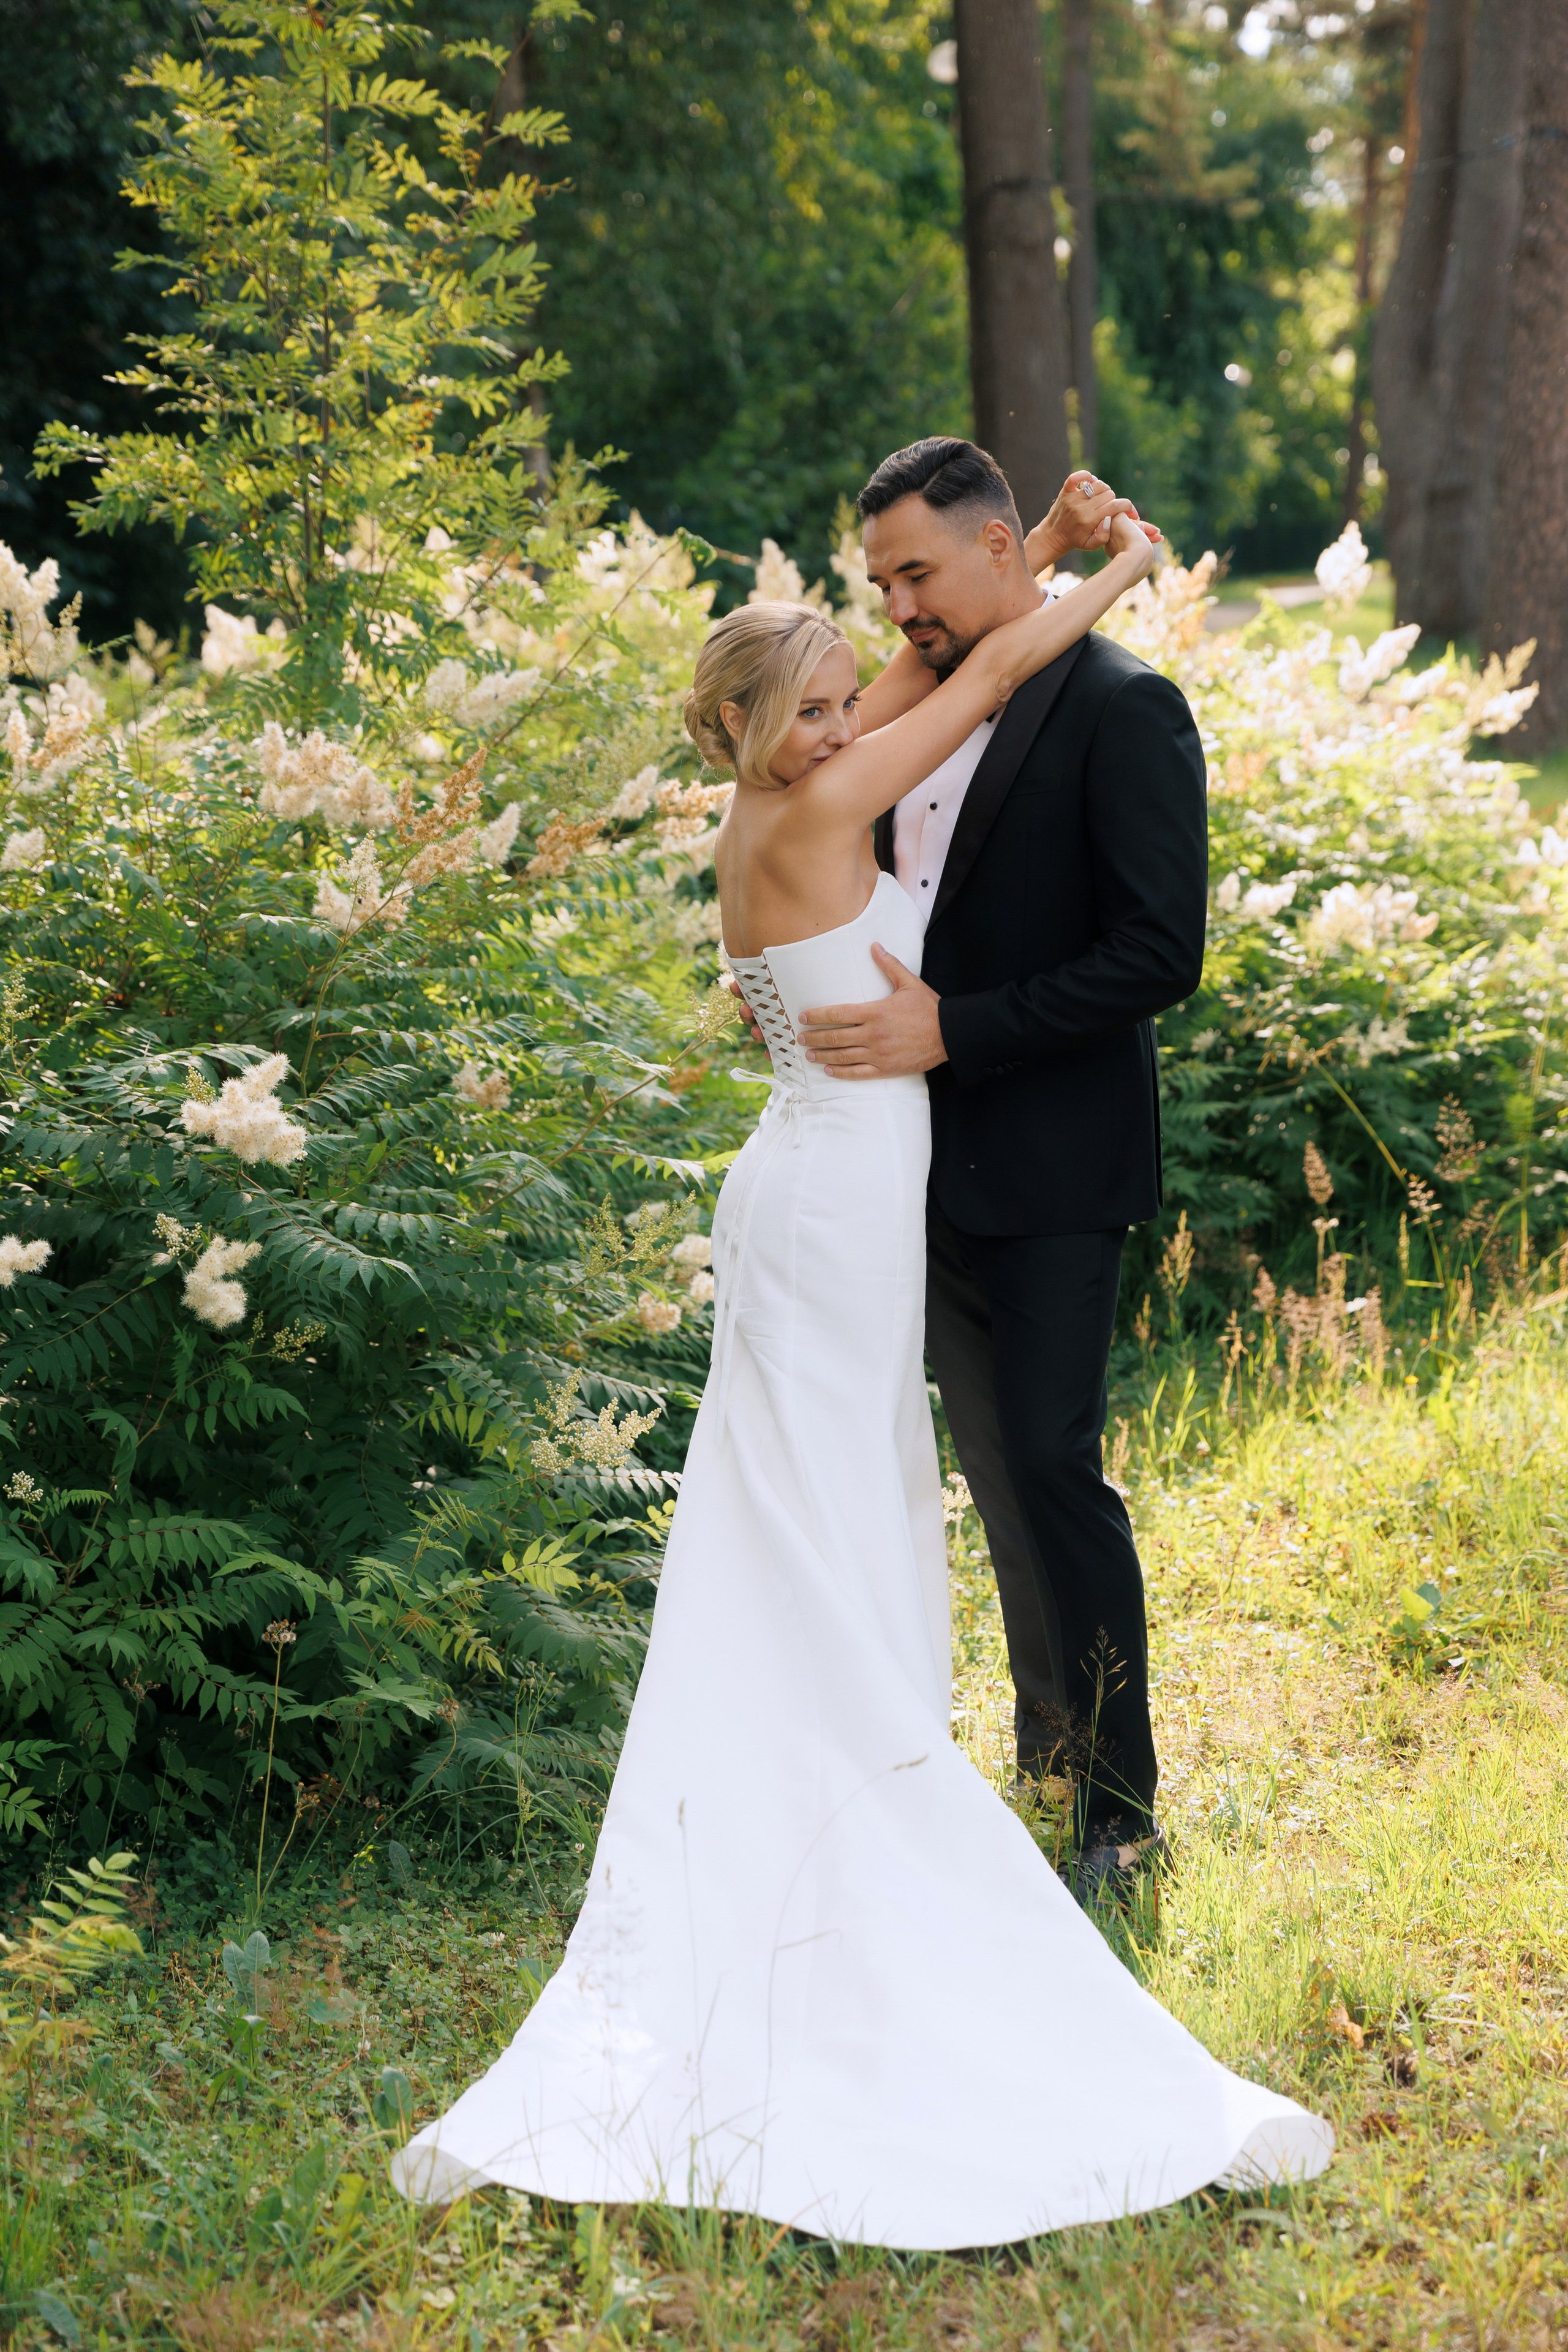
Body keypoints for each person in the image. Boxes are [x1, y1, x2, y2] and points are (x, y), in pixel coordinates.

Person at [392, 475, 1332, 2248]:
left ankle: (921, 1775)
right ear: (762, 730)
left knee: (823, 1502)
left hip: (812, 1190)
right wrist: (1121, 563)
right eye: (820, 698)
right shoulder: (829, 794)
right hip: (840, 1203)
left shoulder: (773, 801)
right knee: (837, 1504)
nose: (854, 706)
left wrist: (1019, 570)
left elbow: (936, 686)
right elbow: (976, 687)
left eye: (856, 678)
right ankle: (876, 1798)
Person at [792, 439, 1208, 1896]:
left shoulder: (1122, 707)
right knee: (992, 1475)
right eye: (880, 578)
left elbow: (1161, 955)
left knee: (1051, 1468)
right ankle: (1047, 1756)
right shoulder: (910, 702)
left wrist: (947, 1031)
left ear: (994, 550)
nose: (895, 602)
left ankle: (1118, 1814)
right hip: (909, 1168)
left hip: (1048, 1161)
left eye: (915, 571)